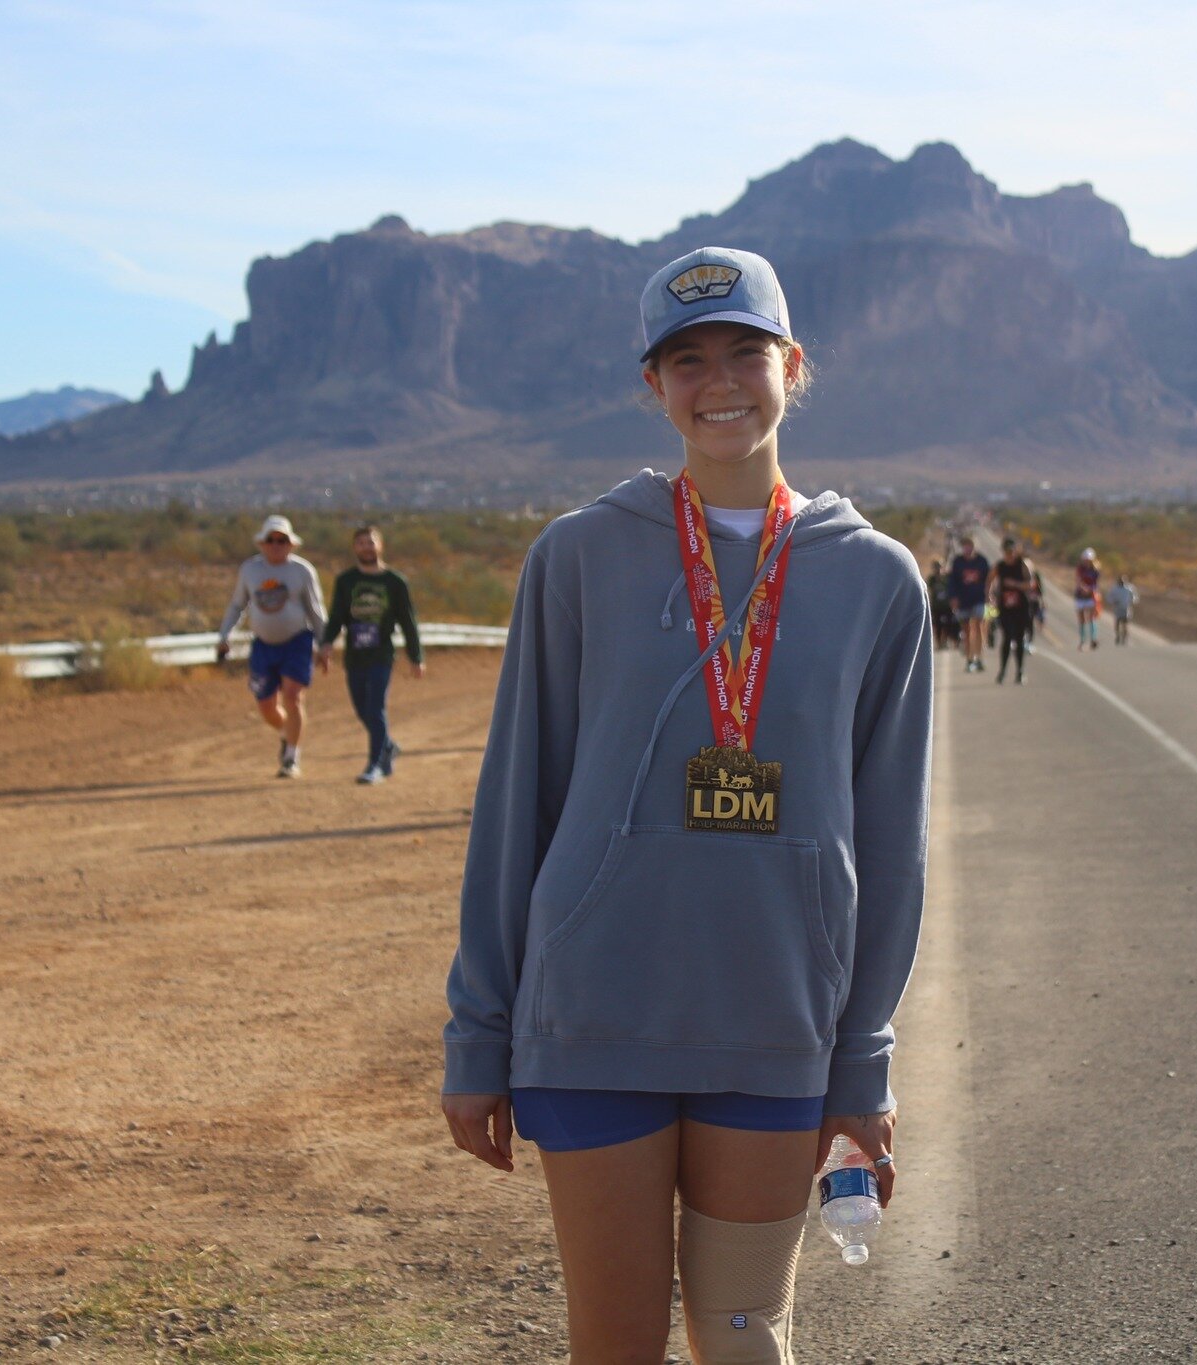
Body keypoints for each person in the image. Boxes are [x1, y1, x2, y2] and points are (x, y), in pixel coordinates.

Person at [440, 246, 932, 1363]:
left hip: (771, 1019)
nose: (718, 381)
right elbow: (514, 806)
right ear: (651, 387)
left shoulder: (874, 580)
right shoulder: (575, 558)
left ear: (792, 365)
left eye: (744, 353)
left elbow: (891, 848)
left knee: (744, 1338)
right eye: (686, 359)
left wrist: (863, 1062)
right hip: (592, 1018)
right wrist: (479, 1035)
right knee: (614, 1347)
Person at [216, 515, 327, 778]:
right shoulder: (250, 570)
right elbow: (237, 605)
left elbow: (316, 609)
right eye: (271, 540)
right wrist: (224, 635)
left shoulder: (302, 571)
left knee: (292, 695)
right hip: (264, 645)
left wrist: (324, 643)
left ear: (291, 544)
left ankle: (291, 757)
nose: (276, 545)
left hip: (297, 641)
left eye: (282, 540)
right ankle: (286, 733)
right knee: (266, 705)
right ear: (262, 544)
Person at [318, 525, 425, 785]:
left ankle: (375, 764)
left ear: (381, 546)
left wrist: (416, 656)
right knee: (361, 708)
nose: (366, 547)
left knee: (376, 708)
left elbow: (408, 621)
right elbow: (336, 617)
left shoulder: (395, 582)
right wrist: (327, 644)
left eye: (371, 542)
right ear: (355, 548)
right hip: (355, 655)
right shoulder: (346, 581)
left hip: (382, 655)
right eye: (361, 543)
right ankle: (387, 746)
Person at [990, 537, 1036, 684]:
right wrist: (990, 596)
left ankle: (1020, 672)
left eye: (1011, 551)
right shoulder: (1000, 566)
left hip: (1021, 607)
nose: (1009, 554)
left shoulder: (1023, 564)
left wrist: (1015, 584)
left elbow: (1030, 584)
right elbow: (989, 580)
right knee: (1007, 638)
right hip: (1005, 608)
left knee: (1019, 639)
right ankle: (1002, 671)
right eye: (1007, 551)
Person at [945, 534, 990, 672]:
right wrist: (953, 597)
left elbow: (989, 580)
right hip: (963, 600)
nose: (967, 549)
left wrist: (990, 595)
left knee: (979, 626)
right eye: (965, 546)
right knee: (967, 629)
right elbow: (952, 581)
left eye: (970, 545)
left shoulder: (982, 561)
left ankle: (980, 657)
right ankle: (970, 659)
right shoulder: (958, 562)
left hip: (979, 599)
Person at [926, 557, 959, 651]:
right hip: (936, 606)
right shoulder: (932, 579)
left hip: (947, 605)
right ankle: (939, 642)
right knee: (937, 624)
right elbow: (929, 589)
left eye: (939, 567)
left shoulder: (947, 578)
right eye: (936, 568)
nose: (938, 570)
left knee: (948, 624)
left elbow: (953, 587)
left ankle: (946, 640)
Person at [1073, 546, 1103, 651]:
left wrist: (1091, 590)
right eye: (1085, 559)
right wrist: (1083, 587)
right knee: (1081, 619)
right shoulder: (1080, 568)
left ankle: (1093, 639)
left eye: (1089, 560)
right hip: (1080, 596)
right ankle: (1082, 640)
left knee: (1092, 618)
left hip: (1091, 596)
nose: (1087, 561)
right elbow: (1078, 580)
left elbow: (1096, 583)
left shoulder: (1096, 569)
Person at [1107, 574, 1139, 645]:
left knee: (1125, 624)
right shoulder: (1115, 588)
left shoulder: (1130, 588)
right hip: (1118, 608)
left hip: (1127, 608)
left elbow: (1135, 598)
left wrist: (1131, 601)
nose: (1122, 582)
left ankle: (1125, 638)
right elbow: (1109, 597)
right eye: (1121, 580)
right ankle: (1118, 636)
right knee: (1117, 623)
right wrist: (1113, 601)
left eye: (1124, 580)